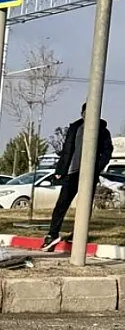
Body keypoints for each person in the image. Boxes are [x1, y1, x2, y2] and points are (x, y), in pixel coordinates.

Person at [42, 103, 115, 251]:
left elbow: (107, 152)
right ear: (82, 113)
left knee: (85, 206)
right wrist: (61, 170)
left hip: (89, 173)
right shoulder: (75, 127)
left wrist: (96, 168)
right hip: (72, 173)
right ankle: (52, 234)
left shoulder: (102, 131)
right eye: (86, 113)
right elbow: (67, 150)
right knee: (61, 204)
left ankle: (79, 235)